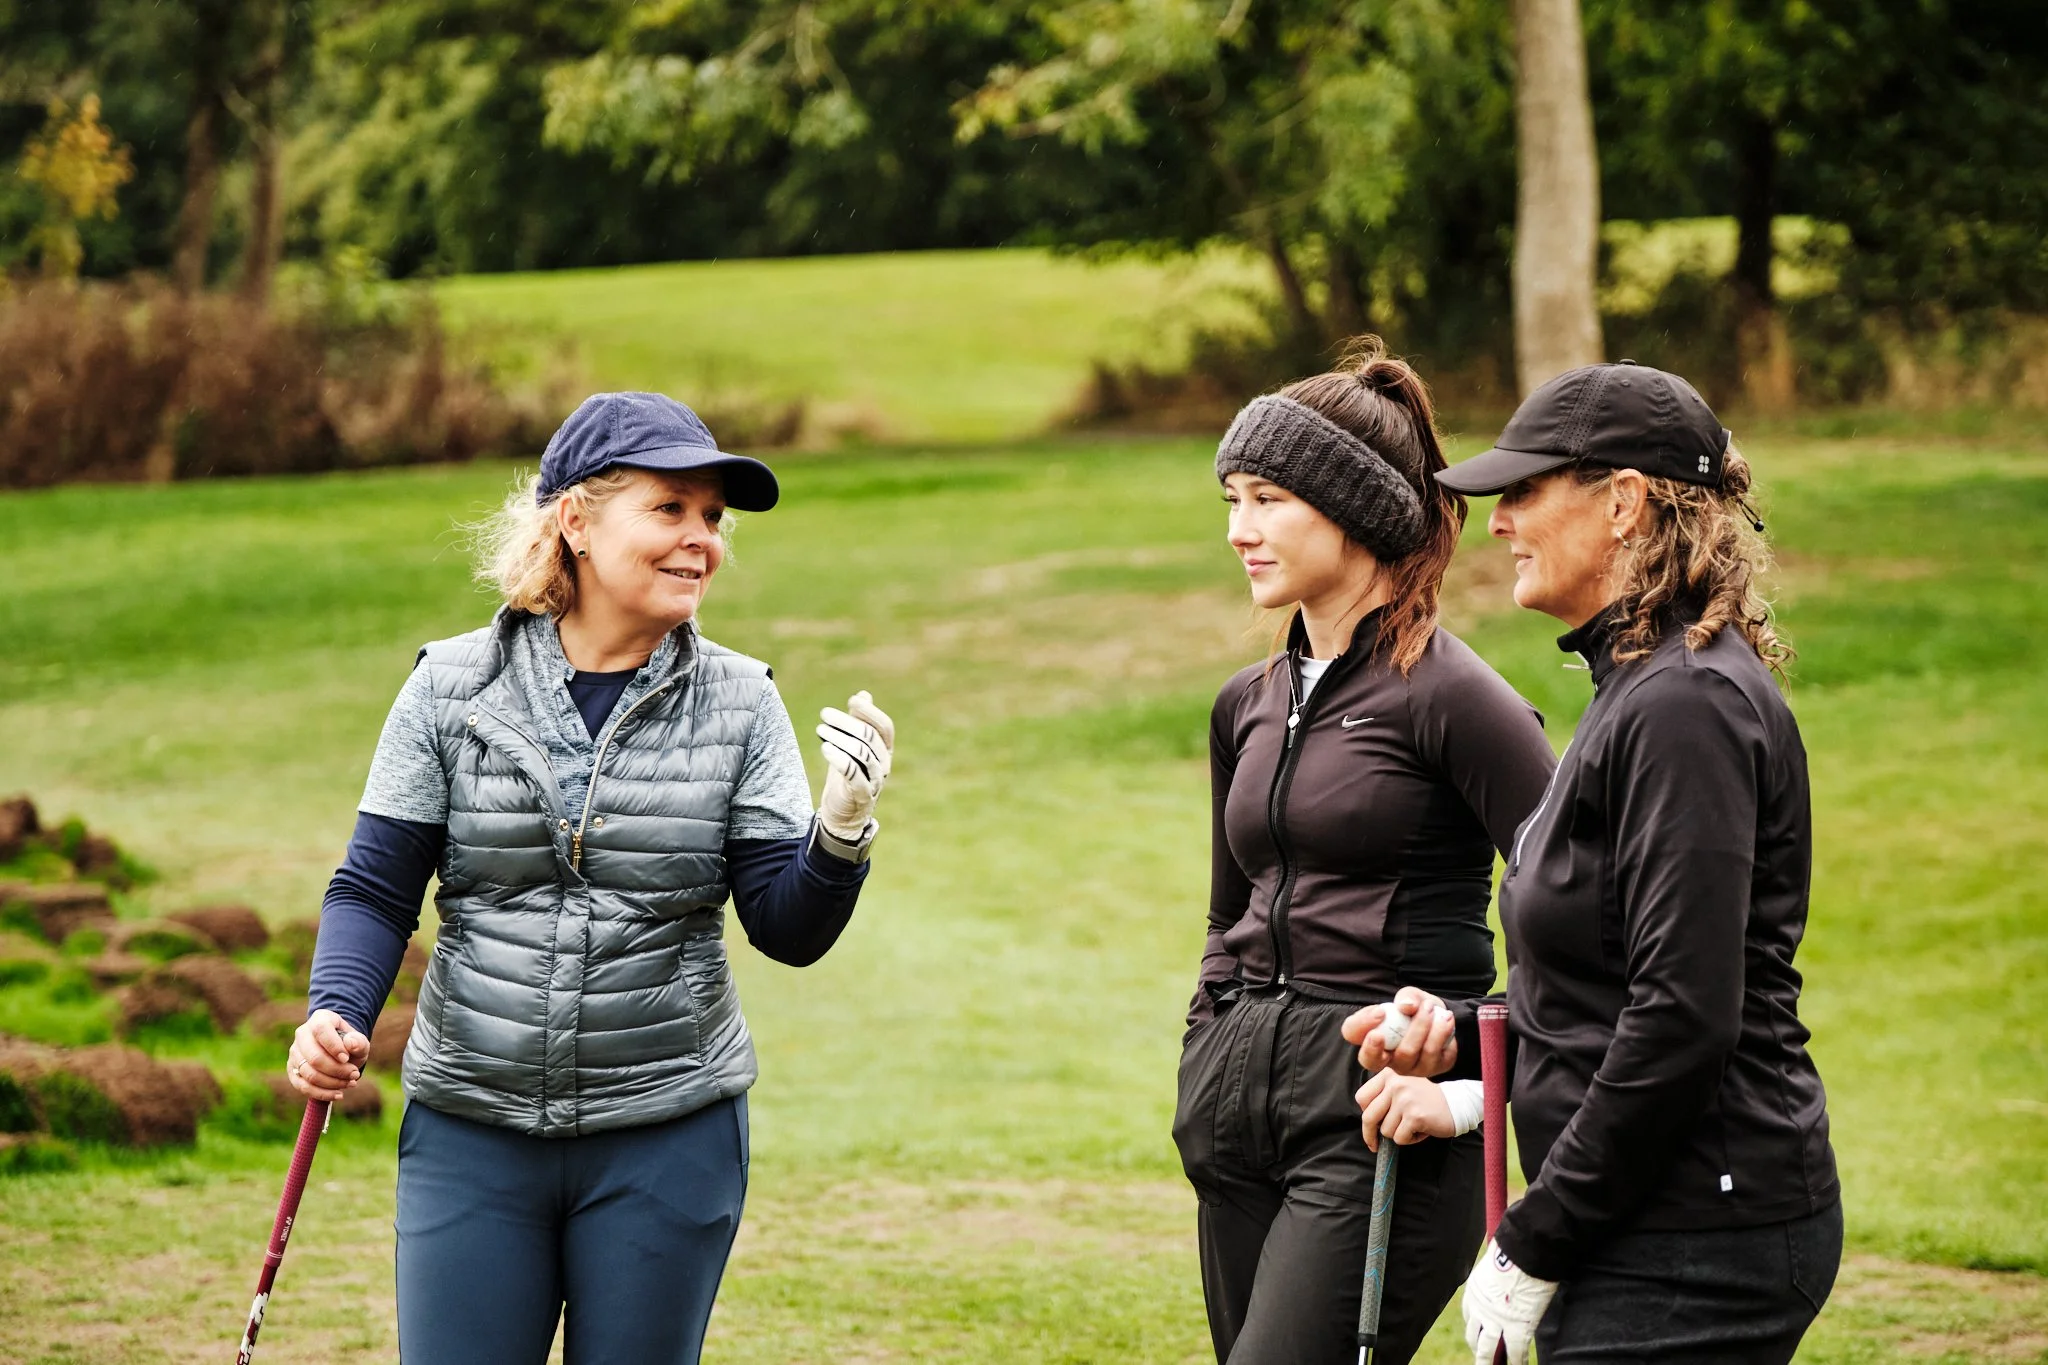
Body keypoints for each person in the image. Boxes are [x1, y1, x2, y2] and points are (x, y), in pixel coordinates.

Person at [283, 391, 897, 1363]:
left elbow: (786, 926)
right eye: (671, 509)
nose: (702, 540)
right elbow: (374, 886)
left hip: (667, 1133)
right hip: (471, 1131)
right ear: (574, 517)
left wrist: (840, 829)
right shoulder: (449, 686)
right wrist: (336, 1009)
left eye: (712, 519)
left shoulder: (741, 702)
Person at [1349, 361, 1841, 1365]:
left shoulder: (1683, 707)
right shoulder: (1639, 687)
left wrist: (1532, 1241)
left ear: (1620, 502)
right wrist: (1465, 1041)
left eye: (1524, 491)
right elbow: (1602, 985)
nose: (1498, 522)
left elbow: (1679, 1017)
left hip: (1697, 1241)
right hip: (1647, 1220)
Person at [1172, 339, 1559, 1365]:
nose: (1236, 531)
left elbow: (1585, 919)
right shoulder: (1243, 708)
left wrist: (1475, 1054)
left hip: (1383, 1121)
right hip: (1234, 1109)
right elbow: (1228, 910)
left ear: (1353, 510)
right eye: (1231, 499)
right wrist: (1209, 1033)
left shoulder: (1455, 700)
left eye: (1265, 500)